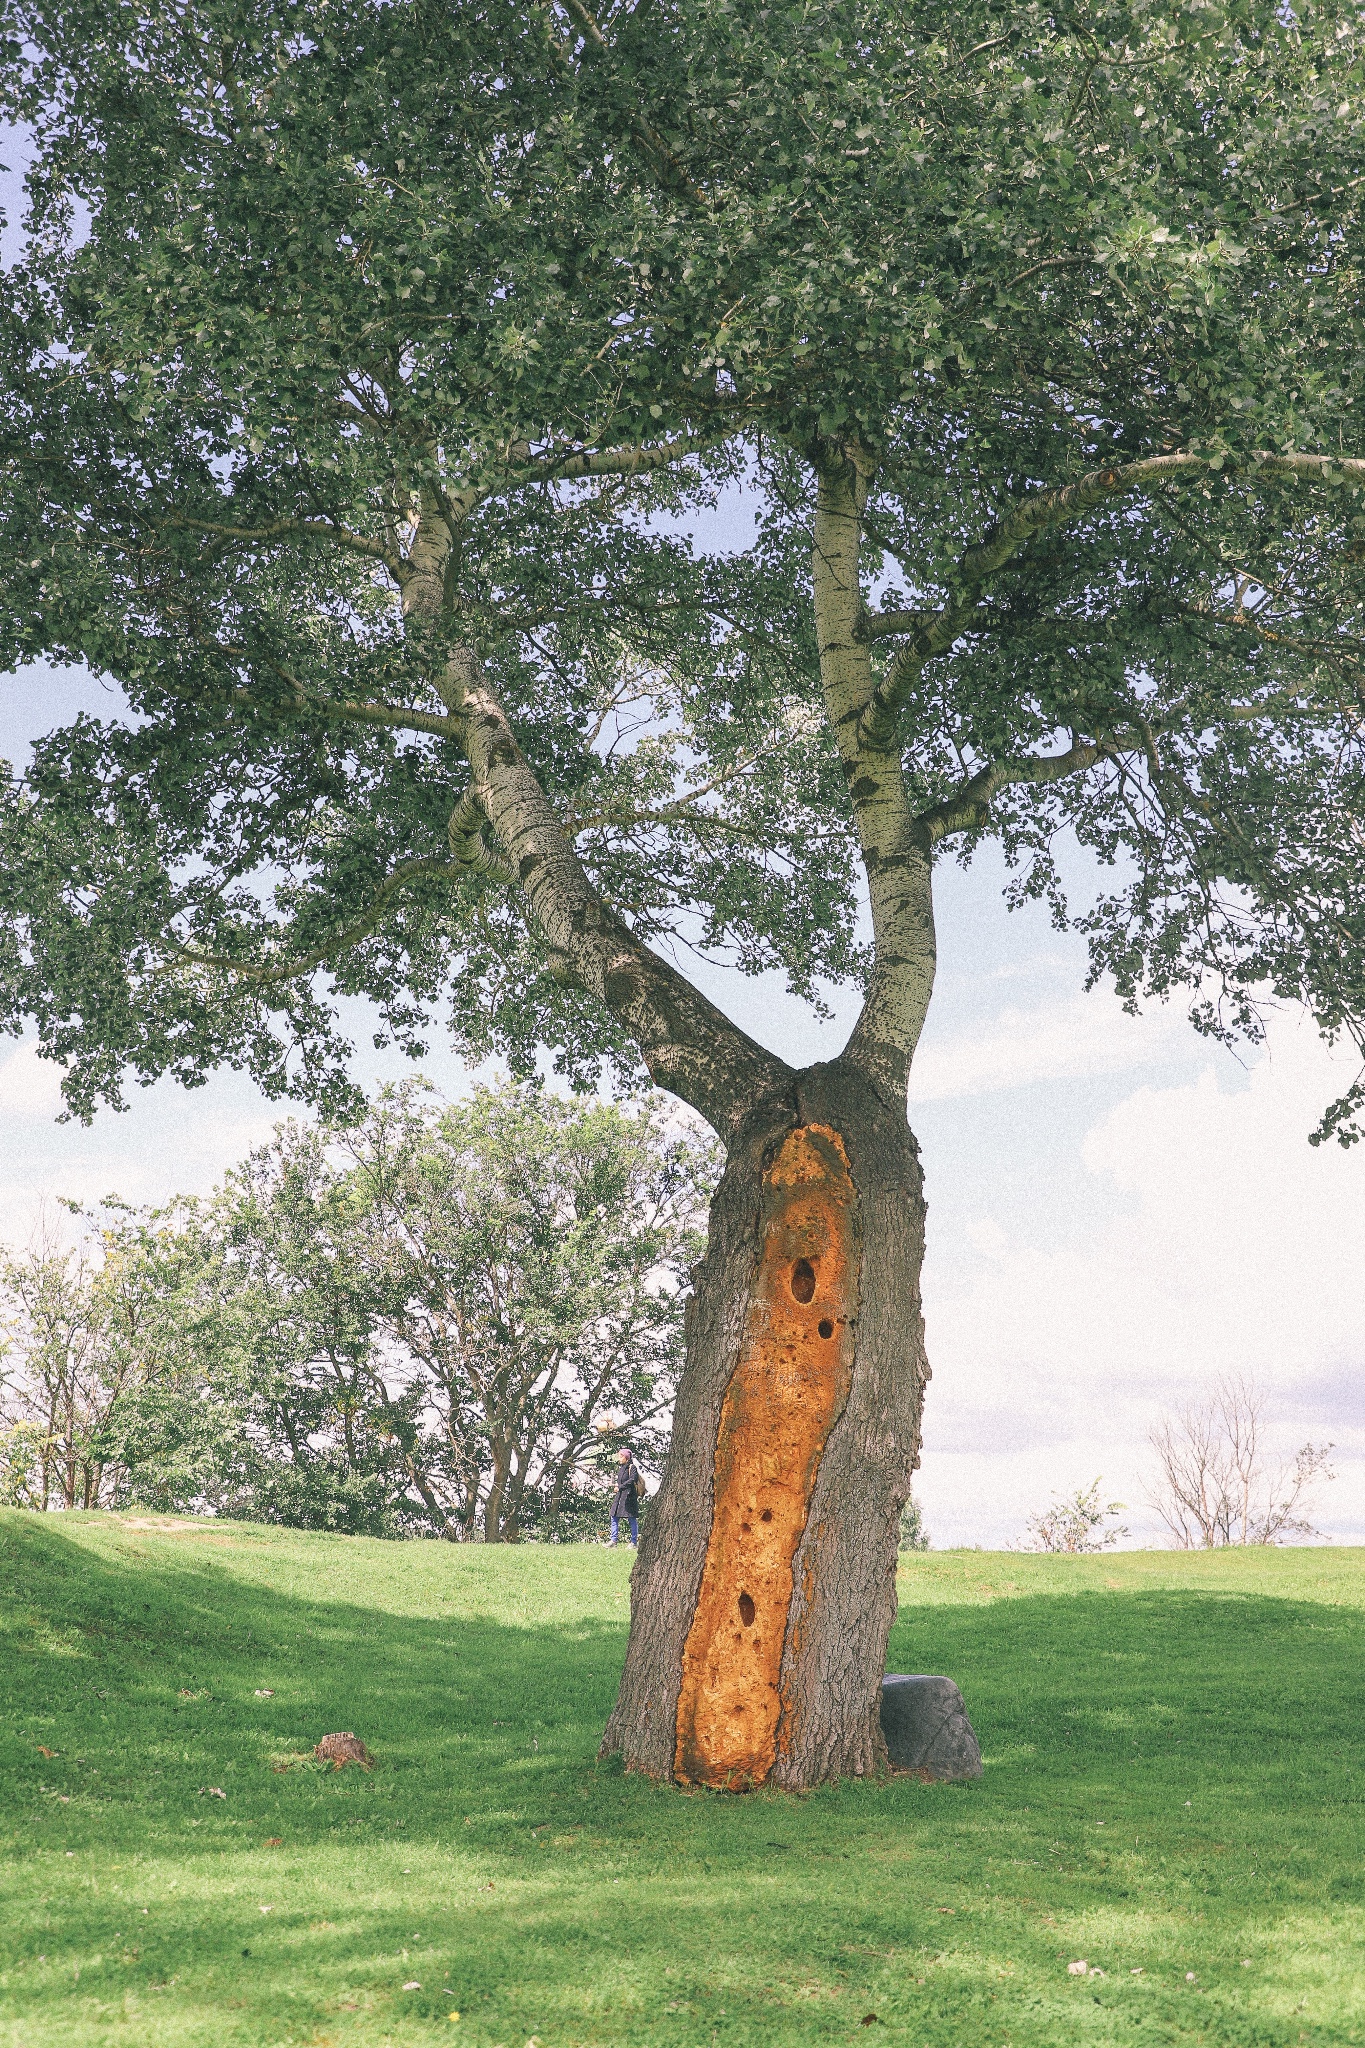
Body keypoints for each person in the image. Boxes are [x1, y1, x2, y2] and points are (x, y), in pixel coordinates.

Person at [609, 1448, 643, 1548]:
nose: (619, 1459)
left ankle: (633, 1542)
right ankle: (613, 1541)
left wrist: (619, 1487)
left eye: (621, 1456)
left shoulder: (632, 1467)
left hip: (629, 1497)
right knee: (614, 1517)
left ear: (626, 1457)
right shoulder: (622, 1468)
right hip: (620, 1497)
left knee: (631, 1518)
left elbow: (632, 1480)